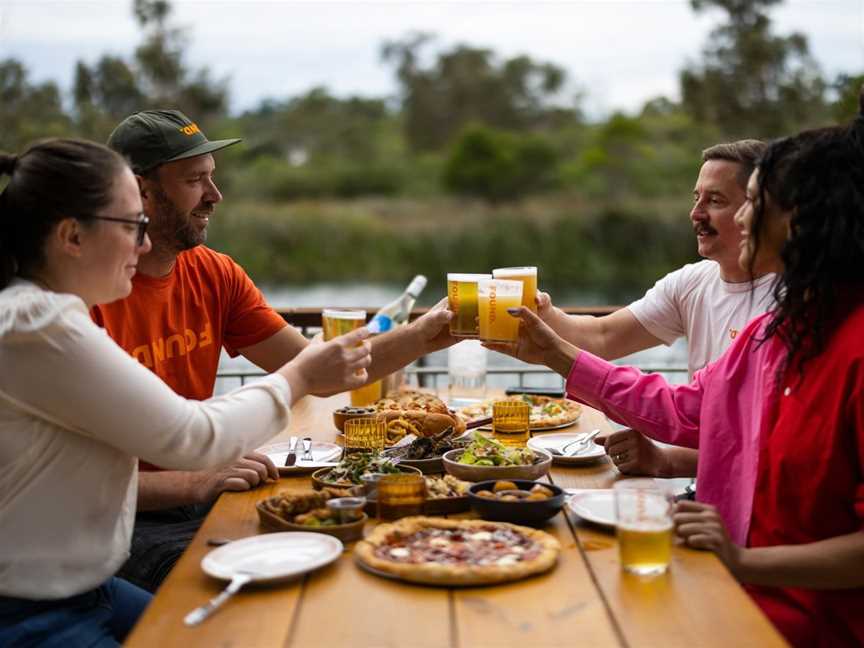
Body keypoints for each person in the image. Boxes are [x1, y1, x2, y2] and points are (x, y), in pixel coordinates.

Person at [498, 100, 864, 645]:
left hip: (804, 624)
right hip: (734, 591)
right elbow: (683, 409)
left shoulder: (852, 348)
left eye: (751, 204)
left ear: (805, 220)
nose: (739, 219)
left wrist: (741, 561)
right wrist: (554, 352)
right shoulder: (780, 332)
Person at [0, 138, 371, 645]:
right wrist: (299, 375)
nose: (145, 245)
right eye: (132, 226)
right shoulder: (39, 324)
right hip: (27, 611)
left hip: (89, 588)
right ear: (72, 237)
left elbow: (177, 424)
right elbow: (192, 438)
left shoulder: (37, 315)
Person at [91, 109, 455, 592]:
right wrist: (196, 481)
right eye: (195, 181)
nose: (214, 197)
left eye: (212, 179)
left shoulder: (213, 273)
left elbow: (320, 371)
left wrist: (433, 332)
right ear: (139, 191)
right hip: (125, 522)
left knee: (341, 549)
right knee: (260, 587)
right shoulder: (85, 298)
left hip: (208, 493)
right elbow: (70, 484)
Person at [536, 139, 773, 477]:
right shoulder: (693, 281)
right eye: (696, 199)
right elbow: (604, 335)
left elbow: (756, 441)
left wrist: (668, 460)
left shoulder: (791, 305)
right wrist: (541, 315)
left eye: (715, 200)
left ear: (758, 211)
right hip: (711, 487)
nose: (696, 214)